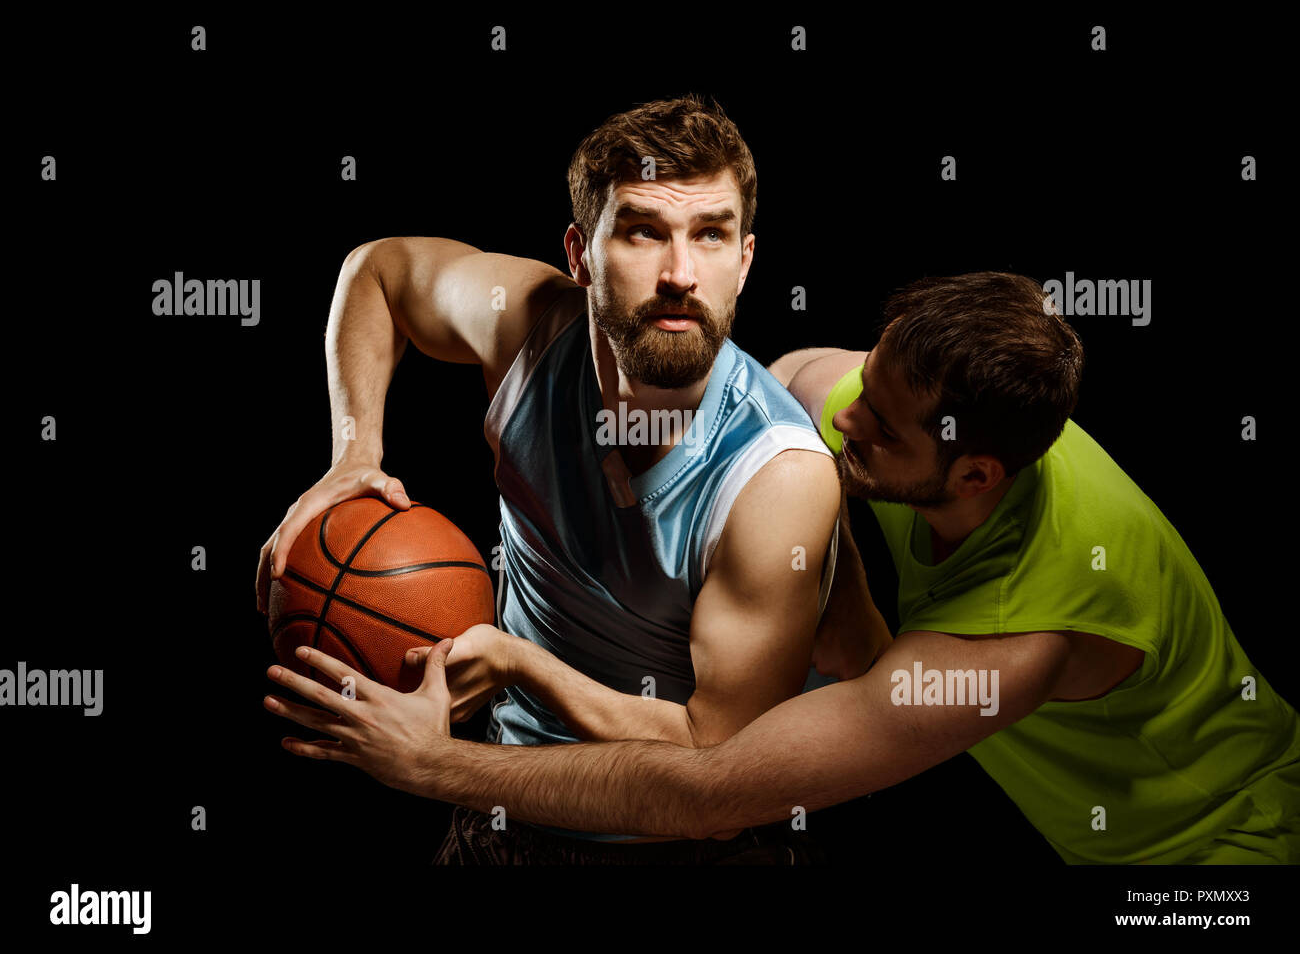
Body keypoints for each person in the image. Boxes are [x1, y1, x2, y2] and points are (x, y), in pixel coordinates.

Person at [266, 271, 1300, 864]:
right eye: (867, 382)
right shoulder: (883, 410)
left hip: (1208, 846)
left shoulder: (1019, 641)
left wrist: (427, 766)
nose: (843, 413)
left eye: (879, 428)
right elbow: (797, 387)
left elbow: (715, 791)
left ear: (975, 473)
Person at [256, 94, 888, 863]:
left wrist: (522, 665)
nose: (681, 273)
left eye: (711, 234)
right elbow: (380, 272)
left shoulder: (775, 477)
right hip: (502, 801)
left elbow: (715, 755)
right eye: (643, 231)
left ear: (746, 260)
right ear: (580, 252)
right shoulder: (525, 325)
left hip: (674, 840)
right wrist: (354, 454)